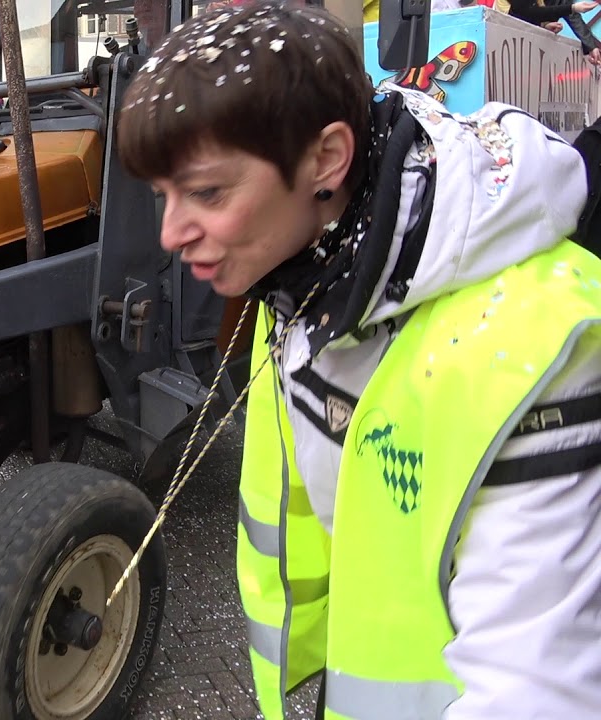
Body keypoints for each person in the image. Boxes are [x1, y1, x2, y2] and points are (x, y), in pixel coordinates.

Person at [117, 4, 601, 719]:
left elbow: (537, 687)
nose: (172, 233)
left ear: (327, 160)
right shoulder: (304, 272)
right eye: (163, 196)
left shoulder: (532, 353)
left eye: (207, 192)